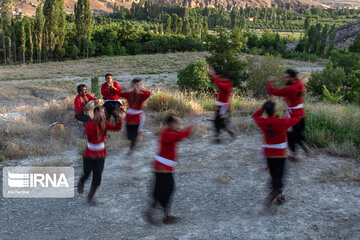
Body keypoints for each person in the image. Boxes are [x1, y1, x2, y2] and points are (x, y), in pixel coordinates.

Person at [143, 114, 193, 224]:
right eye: (176, 122)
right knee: (162, 192)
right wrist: (190, 126)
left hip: (165, 167)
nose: (178, 124)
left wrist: (188, 128)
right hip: (162, 168)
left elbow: (180, 135)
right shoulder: (166, 133)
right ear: (170, 123)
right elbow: (181, 135)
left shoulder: (169, 132)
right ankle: (153, 213)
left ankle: (163, 215)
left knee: (165, 191)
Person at [253, 100, 300, 210]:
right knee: (279, 180)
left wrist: (262, 109)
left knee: (275, 177)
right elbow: (296, 119)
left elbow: (255, 115)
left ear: (266, 111)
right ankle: (269, 200)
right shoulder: (281, 122)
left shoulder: (262, 122)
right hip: (280, 156)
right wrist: (291, 110)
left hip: (269, 156)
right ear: (274, 110)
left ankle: (279, 197)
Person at [76, 106, 122, 205]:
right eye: (102, 112)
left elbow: (117, 128)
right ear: (96, 112)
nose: (104, 115)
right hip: (89, 154)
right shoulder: (89, 123)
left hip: (100, 155)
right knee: (87, 174)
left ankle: (90, 196)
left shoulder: (104, 123)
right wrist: (100, 123)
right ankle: (81, 181)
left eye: (104, 113)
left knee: (97, 176)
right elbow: (92, 133)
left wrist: (117, 118)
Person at [267, 69, 310, 161]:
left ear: (292, 78)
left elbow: (273, 91)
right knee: (298, 133)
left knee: (290, 135)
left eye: (286, 77)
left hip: (293, 117)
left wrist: (271, 83)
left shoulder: (289, 89)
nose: (284, 78)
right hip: (301, 115)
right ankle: (303, 144)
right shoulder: (300, 84)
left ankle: (293, 155)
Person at [119, 78, 151, 155]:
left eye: (140, 84)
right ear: (133, 85)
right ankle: (132, 144)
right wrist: (123, 88)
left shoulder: (142, 94)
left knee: (134, 134)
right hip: (130, 115)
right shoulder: (129, 93)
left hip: (137, 116)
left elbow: (148, 93)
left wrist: (141, 89)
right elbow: (119, 93)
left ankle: (131, 149)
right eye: (136, 84)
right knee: (128, 135)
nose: (138, 86)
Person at [207, 67, 235, 143]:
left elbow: (219, 84)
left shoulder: (228, 84)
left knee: (218, 122)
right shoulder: (224, 79)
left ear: (223, 76)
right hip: (222, 106)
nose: (219, 78)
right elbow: (215, 78)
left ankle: (219, 137)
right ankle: (226, 132)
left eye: (220, 77)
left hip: (224, 107)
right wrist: (211, 74)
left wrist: (213, 76)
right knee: (219, 122)